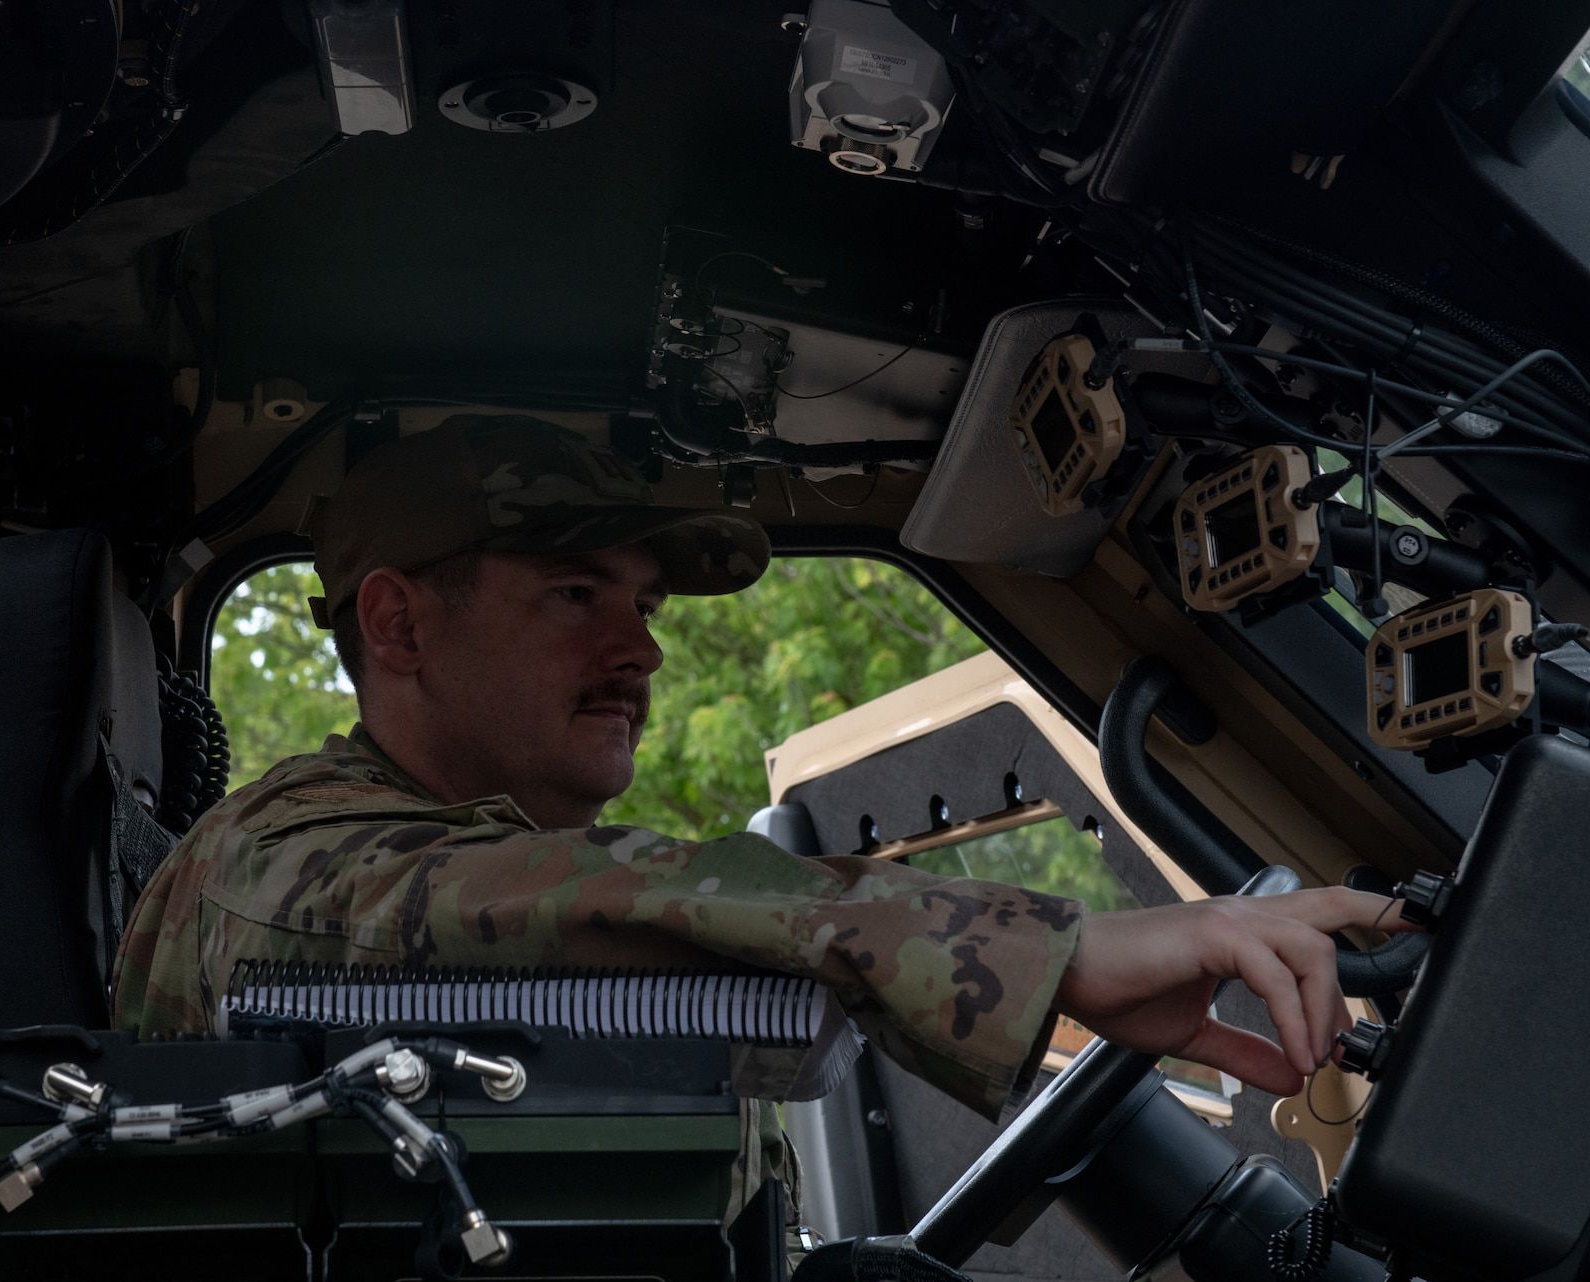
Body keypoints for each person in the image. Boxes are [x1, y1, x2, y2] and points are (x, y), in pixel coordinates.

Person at [112, 413, 1406, 1132]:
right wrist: (1054, 954)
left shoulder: (422, 851)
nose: (642, 647)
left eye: (645, 601)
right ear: (396, 626)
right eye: (576, 592)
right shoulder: (272, 865)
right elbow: (545, 898)